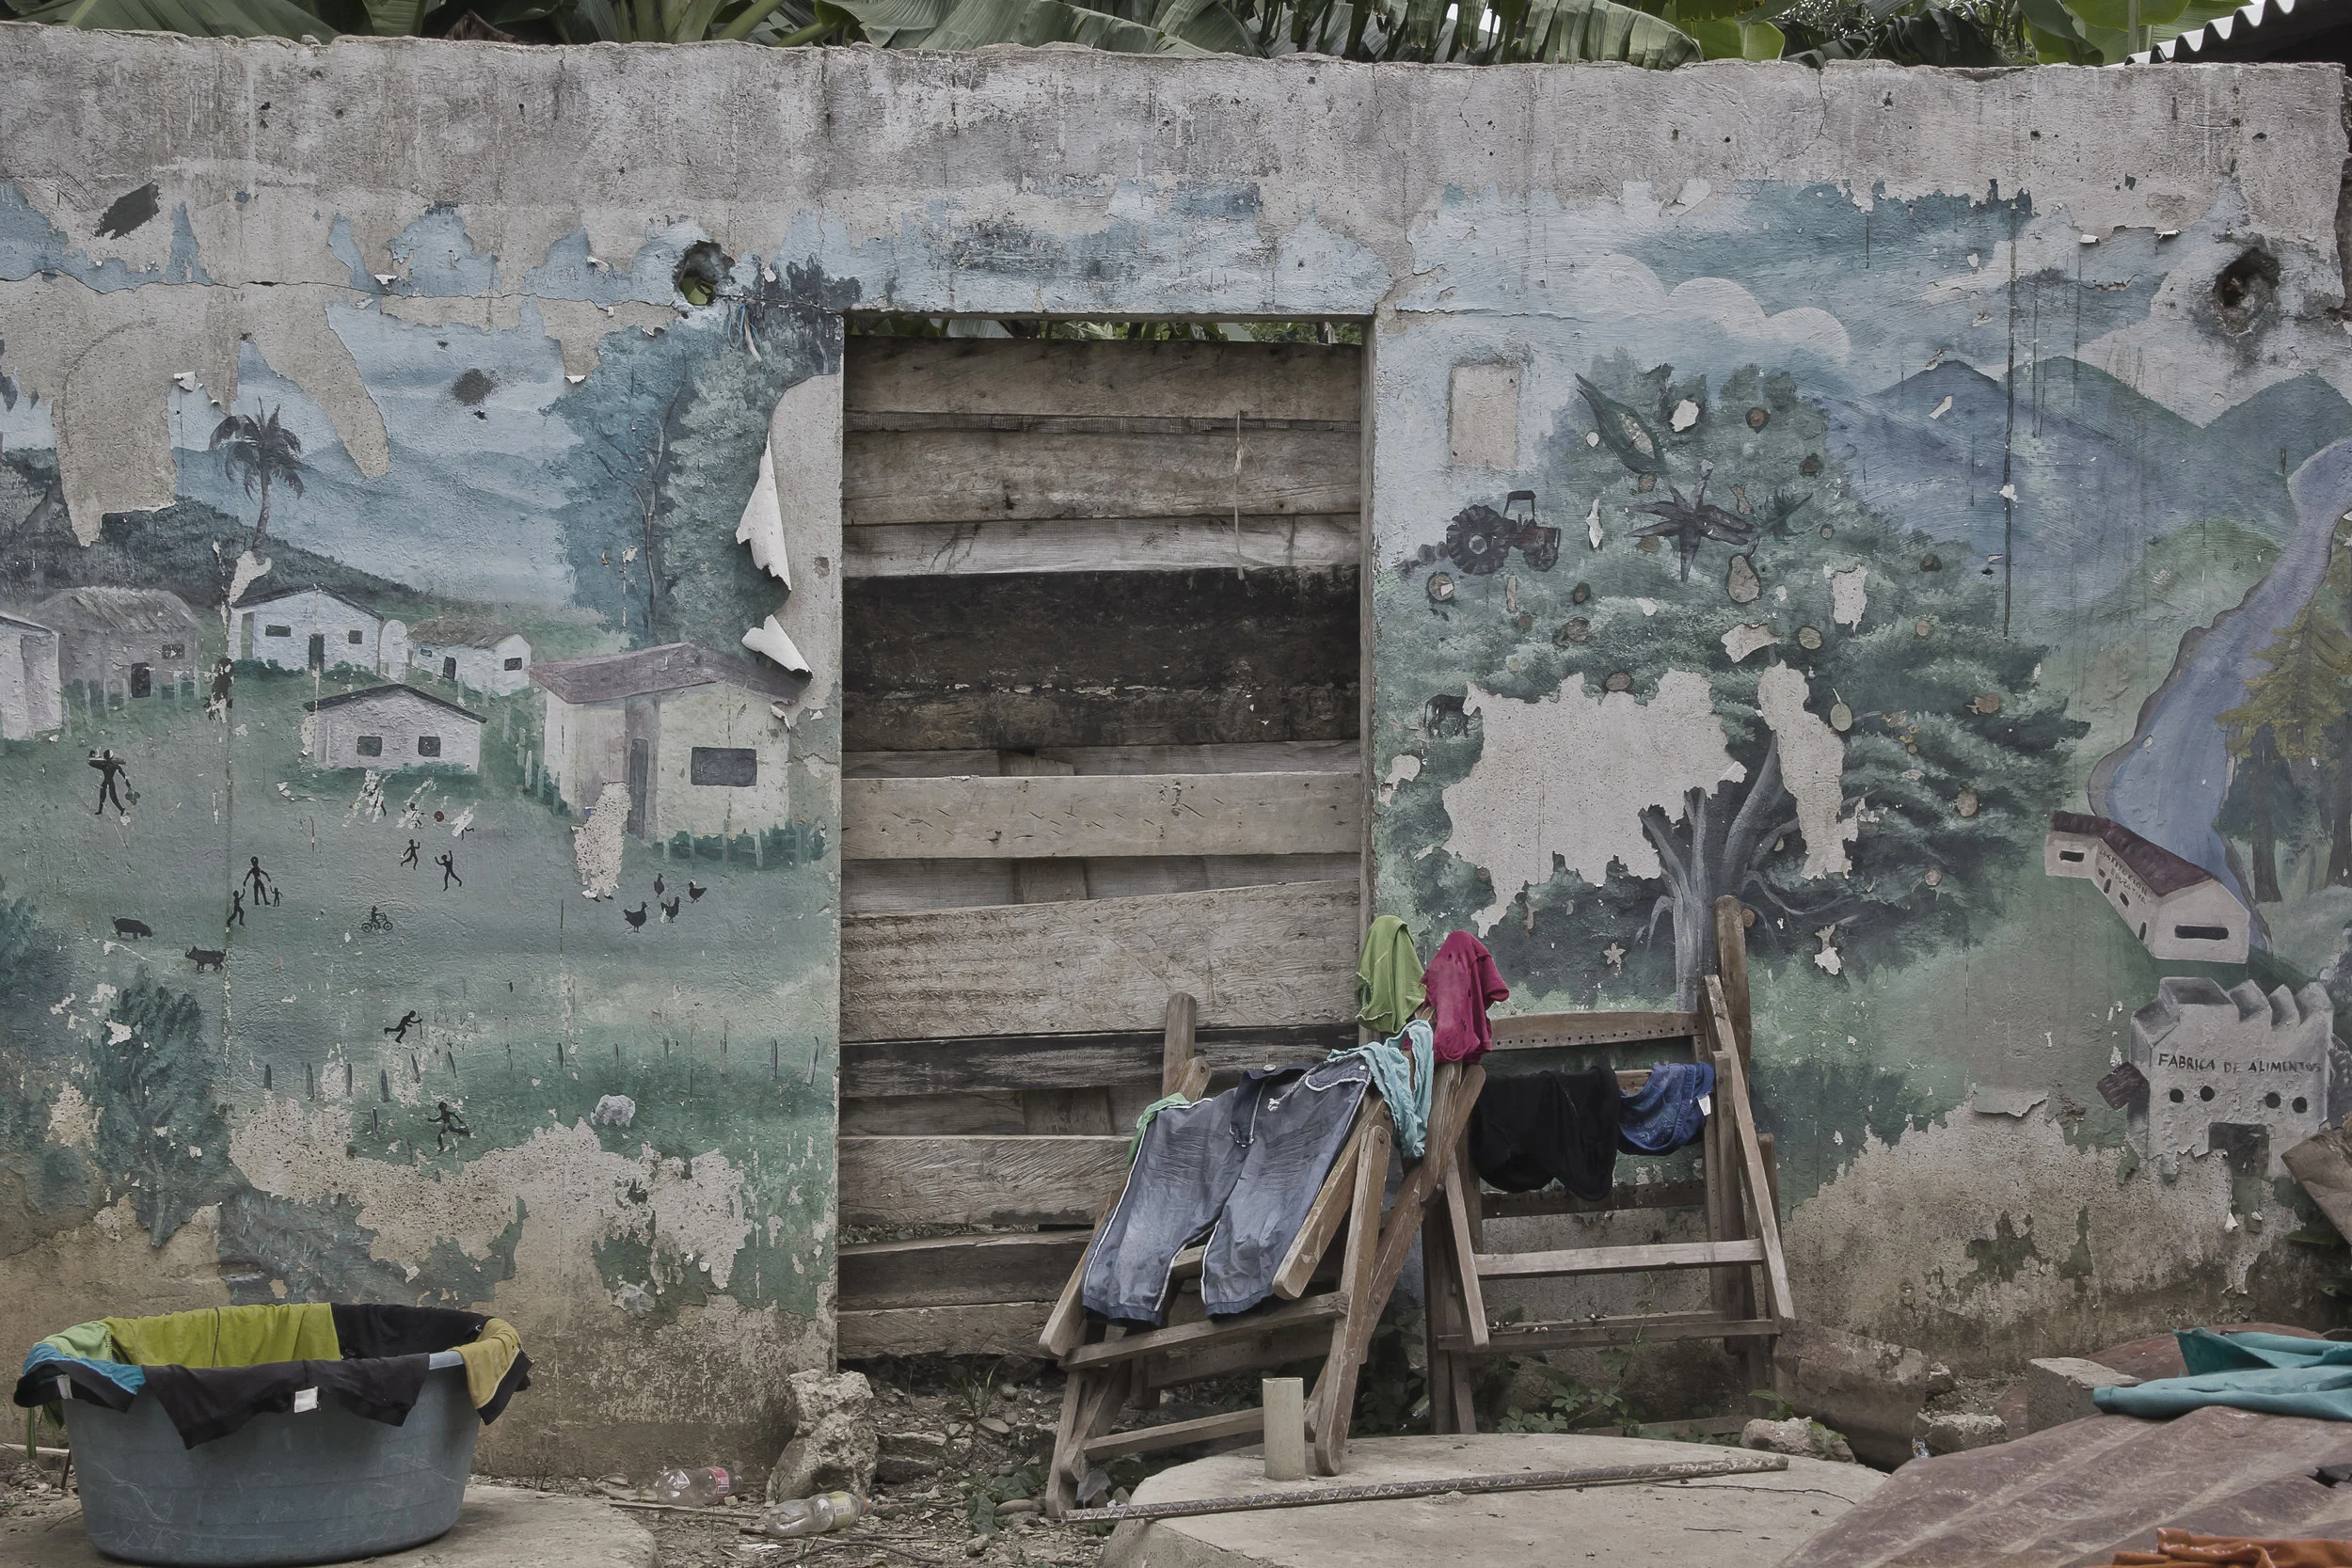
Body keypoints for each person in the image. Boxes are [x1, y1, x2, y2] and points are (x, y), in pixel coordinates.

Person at [87, 750, 131, 816]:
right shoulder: (114, 765)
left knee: (112, 797)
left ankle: (122, 809)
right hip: (108, 782)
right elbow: (123, 774)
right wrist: (127, 782)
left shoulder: (104, 765)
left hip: (108, 782)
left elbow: (91, 763)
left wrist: (92, 754)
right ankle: (100, 810)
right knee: (103, 796)